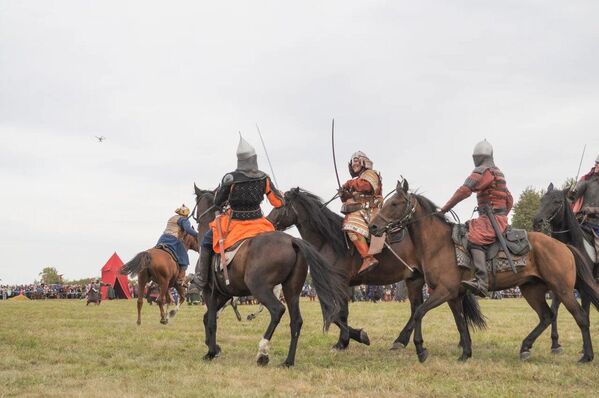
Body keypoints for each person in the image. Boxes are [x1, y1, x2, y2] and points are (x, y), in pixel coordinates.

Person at [192, 135, 284, 289]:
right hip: (259, 223)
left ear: (239, 160)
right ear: (254, 158)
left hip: (234, 223)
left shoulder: (230, 178)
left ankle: (201, 278)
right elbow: (278, 203)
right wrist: (281, 195)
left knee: (207, 241)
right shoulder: (264, 178)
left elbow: (217, 202)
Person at [440, 140, 513, 297]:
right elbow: (510, 199)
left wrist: (445, 209)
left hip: (490, 219)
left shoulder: (484, 171)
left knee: (474, 237)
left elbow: (464, 190)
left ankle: (481, 281)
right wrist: (503, 216)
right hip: (496, 218)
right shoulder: (498, 172)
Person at [339, 151, 383, 276]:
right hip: (360, 211)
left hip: (371, 211)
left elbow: (367, 186)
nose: (354, 164)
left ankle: (368, 258)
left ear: (364, 161)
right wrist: (344, 194)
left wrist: (350, 184)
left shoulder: (370, 174)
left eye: (357, 161)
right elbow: (351, 198)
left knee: (351, 225)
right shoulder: (357, 179)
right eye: (353, 163)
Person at [155, 204, 198, 287]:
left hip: (162, 239)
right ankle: (180, 279)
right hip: (173, 240)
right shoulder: (184, 220)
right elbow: (188, 229)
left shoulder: (172, 218)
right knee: (184, 257)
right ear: (187, 214)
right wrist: (197, 235)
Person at [570, 155, 599, 236]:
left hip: (597, 224)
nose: (596, 164)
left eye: (598, 163)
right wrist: (572, 193)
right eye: (596, 162)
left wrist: (593, 210)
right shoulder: (588, 179)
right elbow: (572, 198)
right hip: (582, 220)